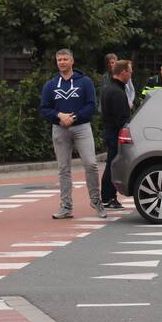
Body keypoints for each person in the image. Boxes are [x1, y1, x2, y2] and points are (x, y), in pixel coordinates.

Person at [40, 48, 105, 220]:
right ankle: (66, 206)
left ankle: (96, 201)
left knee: (90, 163)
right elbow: (44, 109)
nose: (62, 62)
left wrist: (75, 117)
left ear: (72, 61)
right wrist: (58, 115)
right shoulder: (51, 85)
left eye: (65, 59)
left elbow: (91, 105)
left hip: (82, 127)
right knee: (63, 168)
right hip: (60, 128)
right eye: (59, 60)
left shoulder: (85, 82)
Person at [100, 59, 132, 209]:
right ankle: (108, 197)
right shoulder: (117, 92)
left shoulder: (109, 88)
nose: (131, 75)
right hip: (115, 134)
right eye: (130, 72)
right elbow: (122, 118)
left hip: (109, 131)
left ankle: (107, 197)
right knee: (112, 165)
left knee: (110, 164)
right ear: (124, 72)